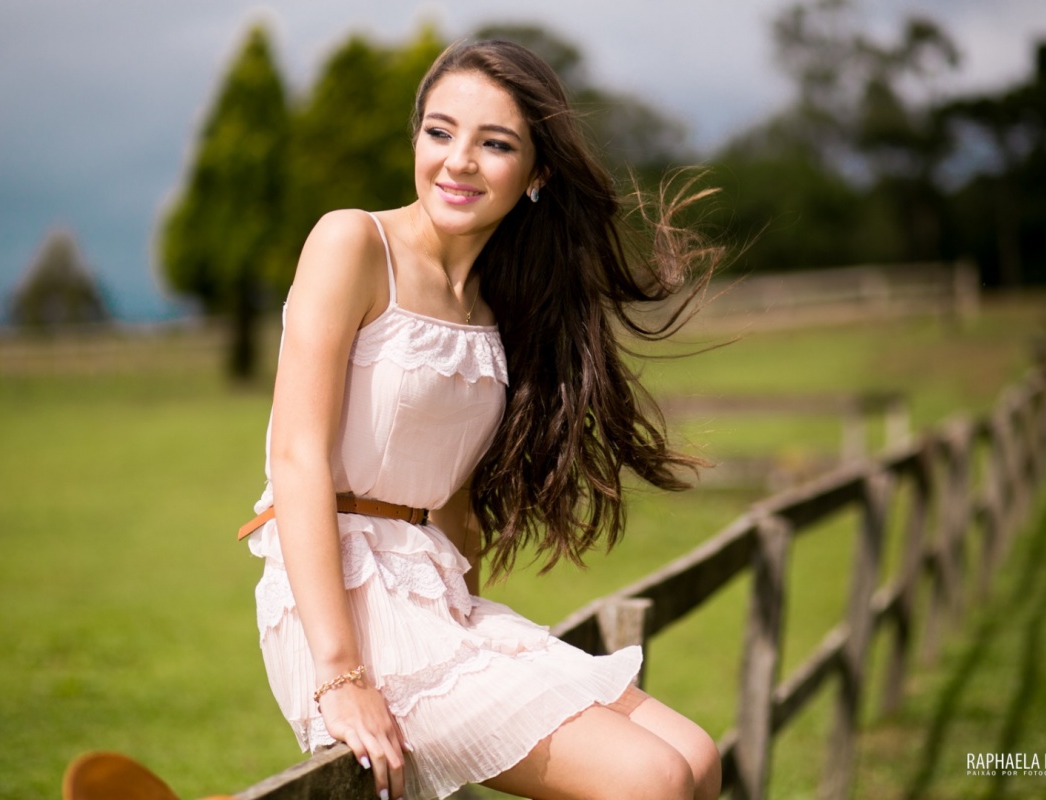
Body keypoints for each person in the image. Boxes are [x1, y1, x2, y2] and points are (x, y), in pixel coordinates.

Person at [240, 39, 722, 800]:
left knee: (695, 755)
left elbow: (451, 501)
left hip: (437, 604)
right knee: (650, 777)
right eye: (440, 132)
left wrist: (463, 602)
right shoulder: (353, 243)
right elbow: (296, 459)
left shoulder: (498, 306)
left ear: (537, 174)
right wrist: (339, 676)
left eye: (494, 144)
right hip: (343, 612)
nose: (458, 160)